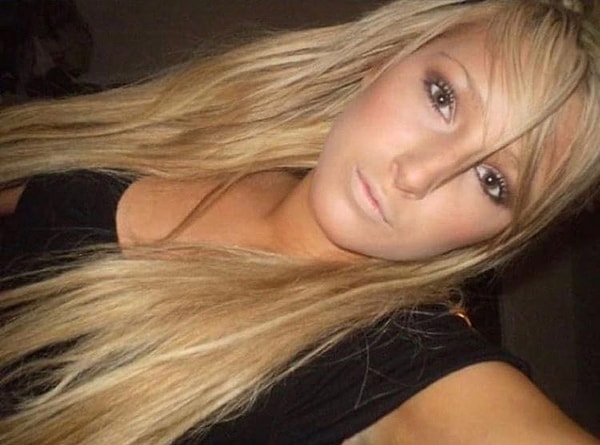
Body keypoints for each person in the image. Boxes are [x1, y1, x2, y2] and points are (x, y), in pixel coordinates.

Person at [0, 0, 599, 443]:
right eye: (442, 97)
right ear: (382, 62)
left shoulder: (382, 365)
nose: (417, 175)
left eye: (492, 181)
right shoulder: (200, 130)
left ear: (499, 237)